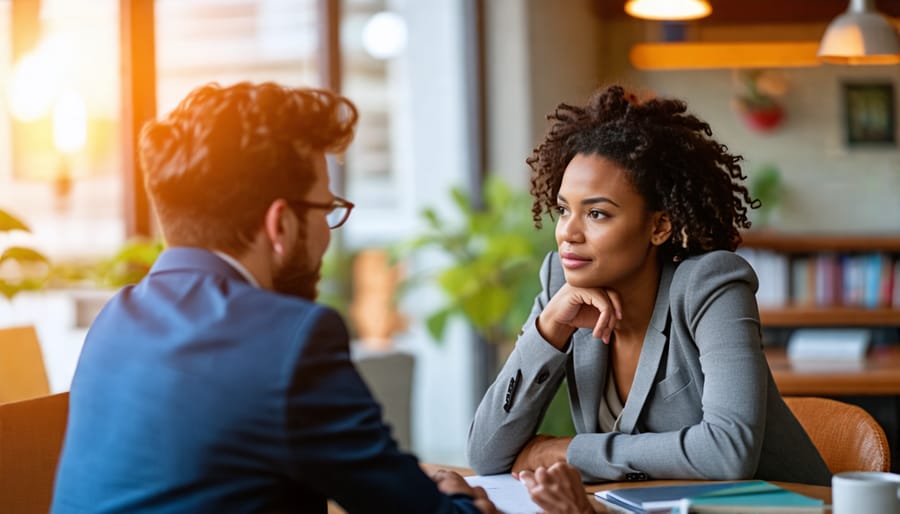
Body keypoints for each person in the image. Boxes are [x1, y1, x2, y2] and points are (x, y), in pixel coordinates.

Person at [52, 81, 558, 514]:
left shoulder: (114, 321)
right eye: (326, 209)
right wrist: (461, 497)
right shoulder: (286, 339)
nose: (327, 233)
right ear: (280, 224)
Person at [466, 85, 832, 487]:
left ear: (659, 226)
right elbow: (487, 454)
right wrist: (548, 329)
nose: (568, 232)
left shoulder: (710, 286)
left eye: (598, 214)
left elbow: (728, 452)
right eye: (564, 209)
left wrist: (571, 452)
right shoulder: (561, 285)